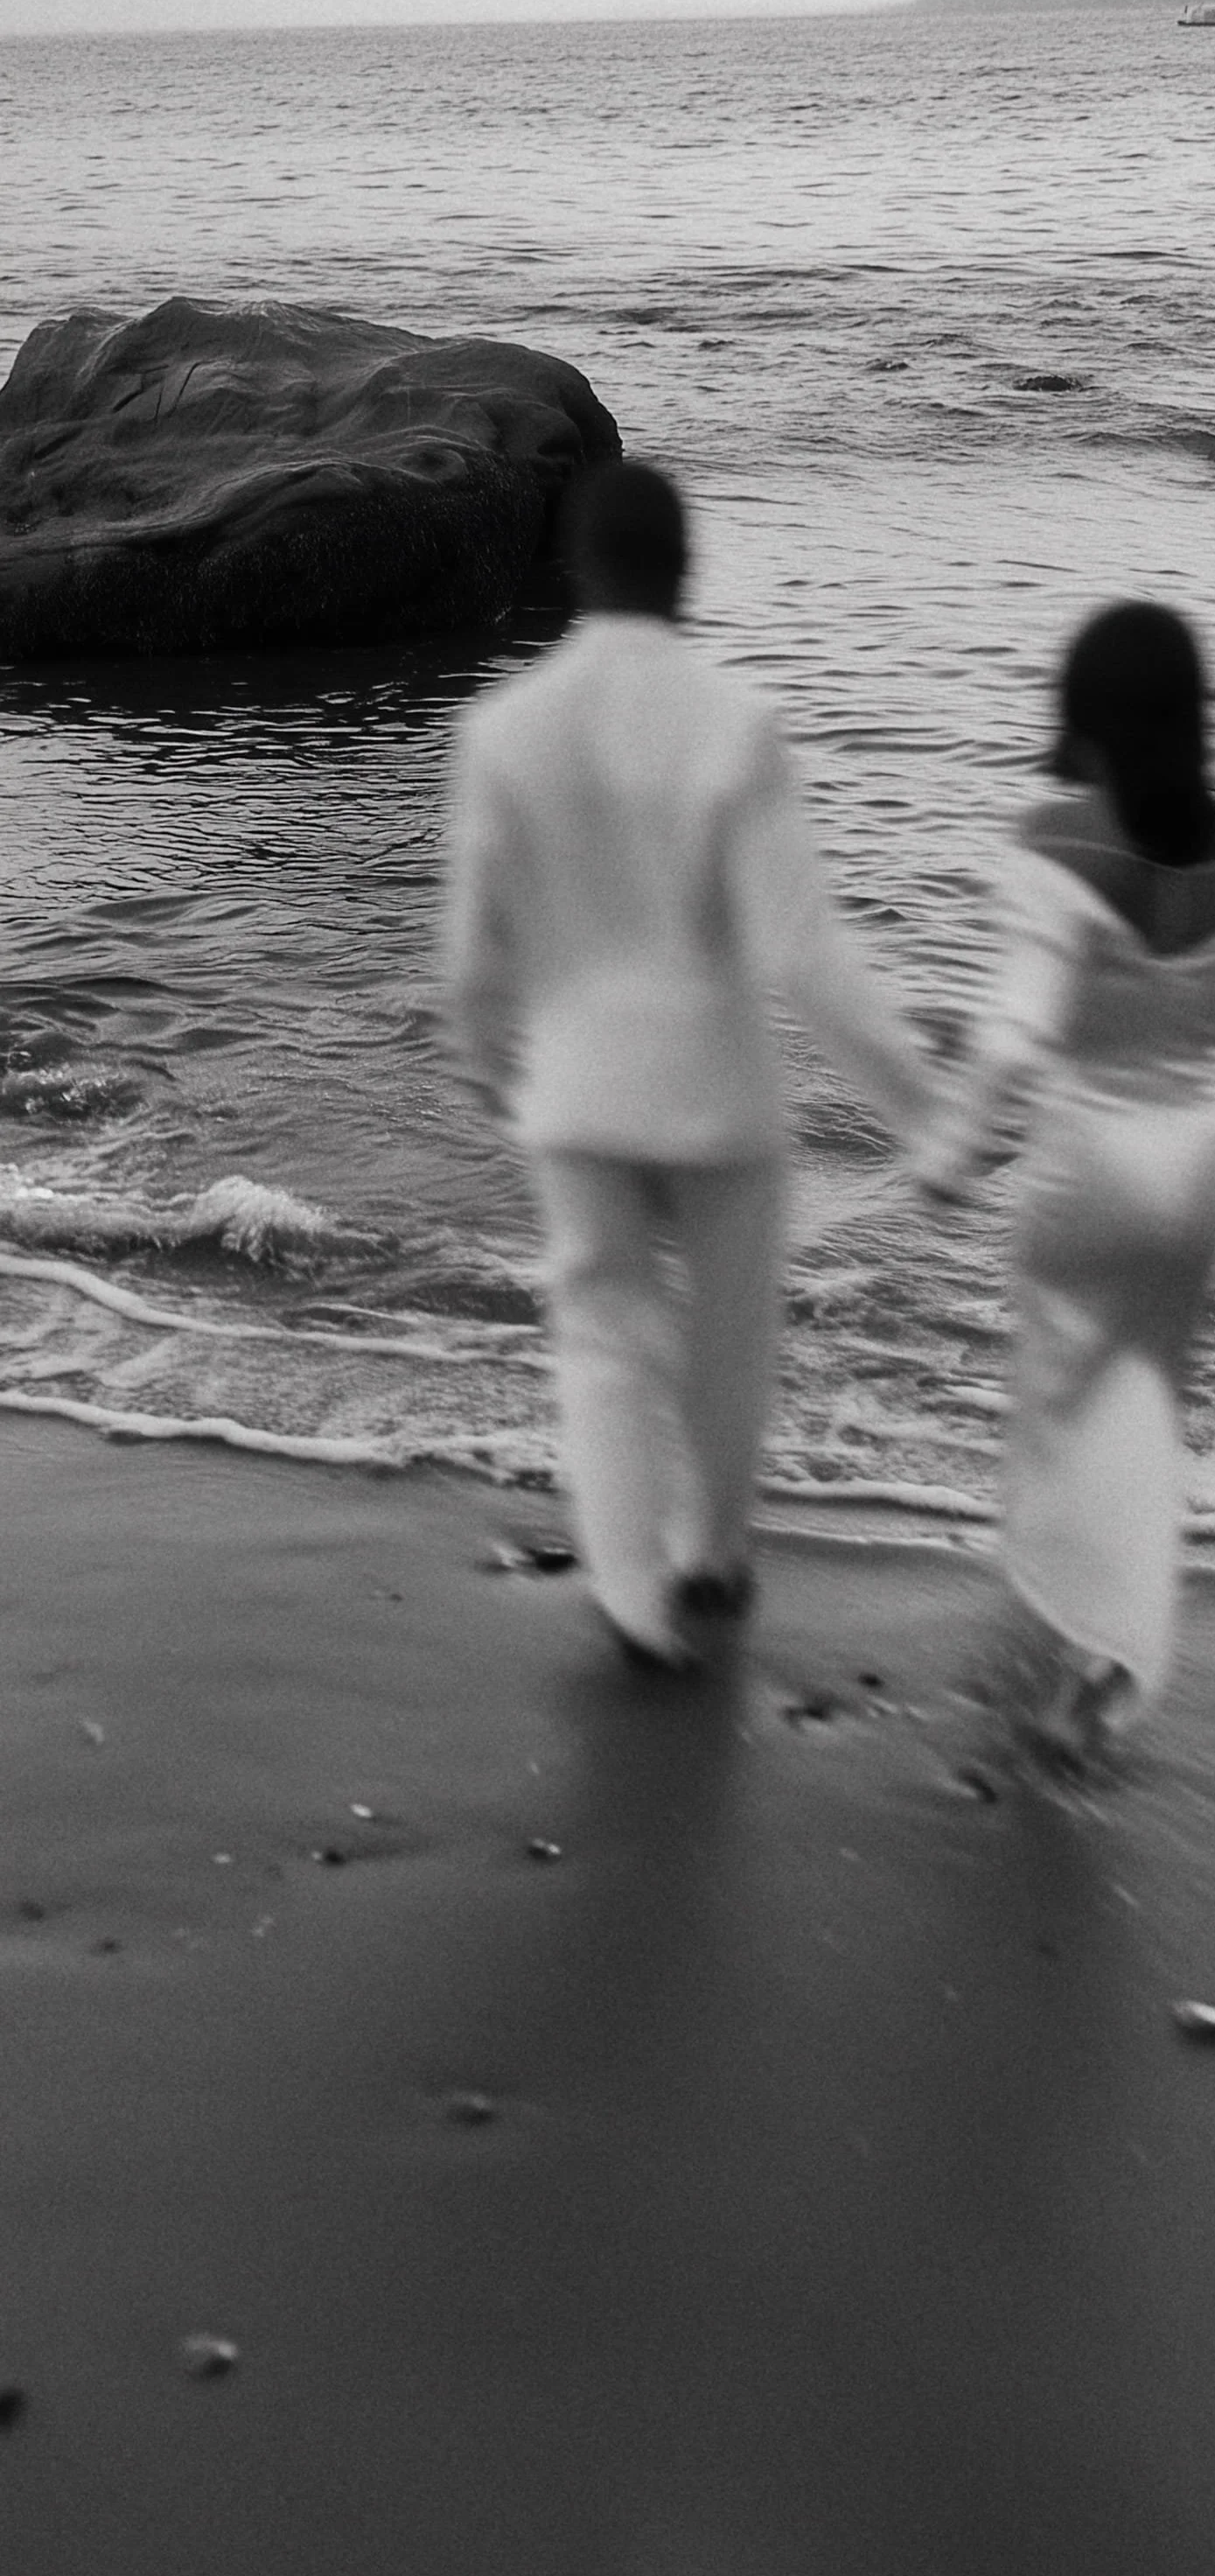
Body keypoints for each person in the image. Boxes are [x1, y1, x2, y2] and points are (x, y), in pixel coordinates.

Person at [444, 460, 932, 1670]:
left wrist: (486, 1060)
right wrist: (926, 1111)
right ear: (687, 570)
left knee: (602, 1342)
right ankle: (711, 1554)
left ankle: (632, 1603)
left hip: (572, 1093)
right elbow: (808, 962)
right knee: (730, 1339)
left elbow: (471, 955)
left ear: (576, 568)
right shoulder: (735, 723)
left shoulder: (500, 729)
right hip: (715, 1094)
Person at [913, 601, 1215, 1753]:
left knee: (1063, 1404)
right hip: (1206, 1167)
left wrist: (954, 1150)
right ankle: (1099, 1641)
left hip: (1094, 1171)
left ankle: (1092, 1649)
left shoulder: (1055, 840)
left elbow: (1015, 1035)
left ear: (1088, 718)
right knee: (1141, 1406)